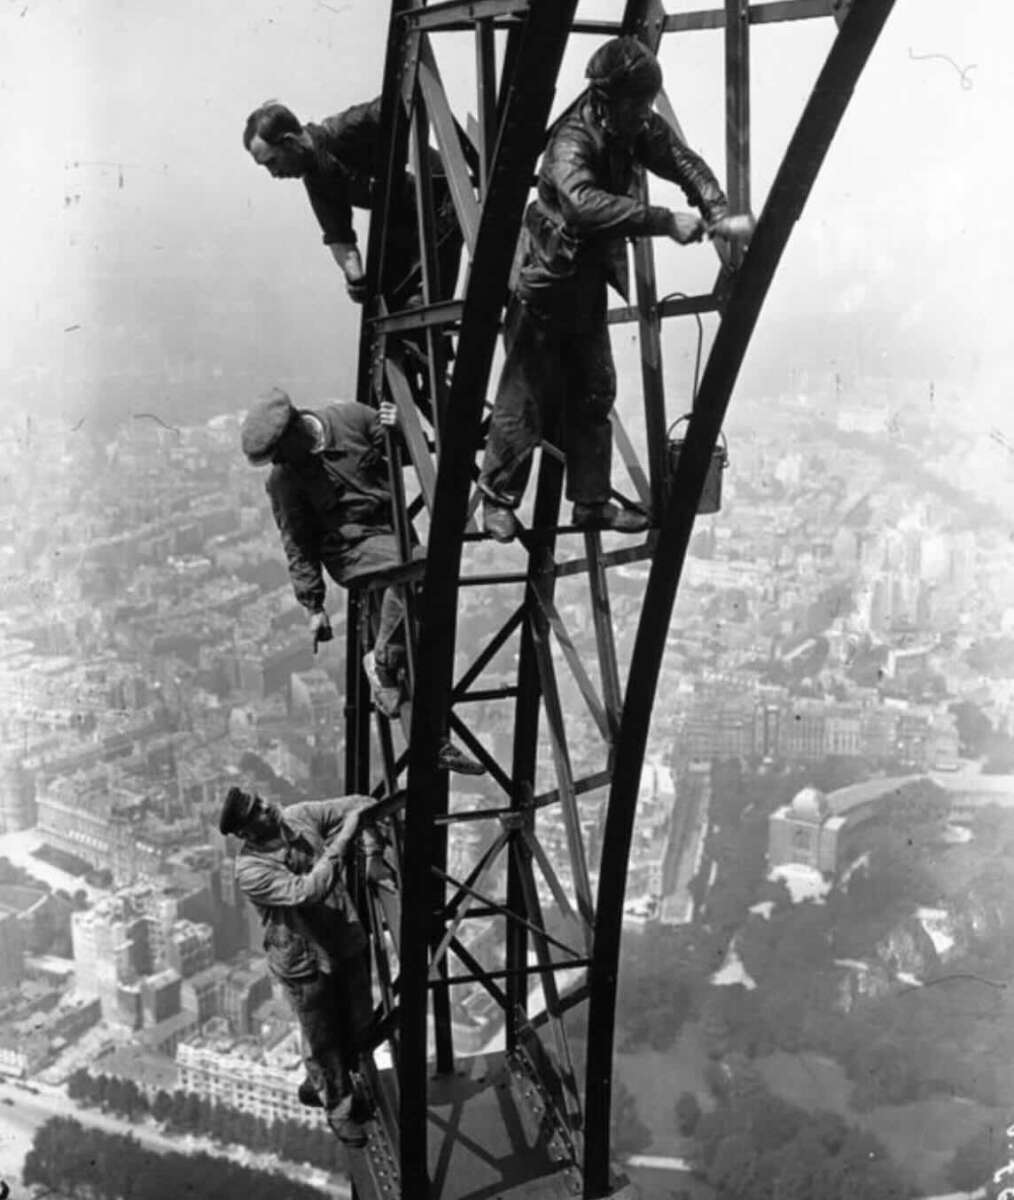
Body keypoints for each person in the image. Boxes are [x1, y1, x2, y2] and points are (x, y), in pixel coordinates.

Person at [478, 36, 735, 543]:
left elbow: (682, 161)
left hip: (585, 281)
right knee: (524, 396)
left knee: (595, 390)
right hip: (546, 283)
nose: (645, 117)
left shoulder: (629, 123)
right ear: (608, 99)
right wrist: (664, 221)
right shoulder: (572, 141)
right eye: (637, 106)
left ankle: (591, 503)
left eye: (647, 106)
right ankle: (497, 501)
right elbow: (582, 206)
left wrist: (715, 208)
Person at [241, 386, 484, 775]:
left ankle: (430, 736)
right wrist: (313, 606)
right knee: (425, 573)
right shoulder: (285, 481)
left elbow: (406, 456)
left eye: (280, 452)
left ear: (296, 429)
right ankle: (385, 663)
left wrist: (400, 428)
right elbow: (298, 543)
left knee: (421, 630)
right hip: (351, 552)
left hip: (393, 537)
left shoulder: (351, 418)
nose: (280, 462)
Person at [219, 785, 377, 1145]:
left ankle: (322, 1081)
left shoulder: (298, 817)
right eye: (258, 810)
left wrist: (374, 850)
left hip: (342, 938)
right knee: (323, 1039)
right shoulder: (250, 870)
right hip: (304, 961)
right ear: (244, 832)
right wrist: (346, 837)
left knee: (358, 1021)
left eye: (260, 800)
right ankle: (338, 1110)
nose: (267, 806)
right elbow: (306, 891)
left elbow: (361, 805)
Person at [243, 96, 457, 307]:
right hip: (406, 220)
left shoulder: (344, 128)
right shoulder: (318, 181)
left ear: (289, 142)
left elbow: (404, 96)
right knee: (397, 310)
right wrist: (356, 279)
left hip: (442, 197)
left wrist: (415, 149)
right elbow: (339, 238)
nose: (274, 174)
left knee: (418, 304)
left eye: (272, 162)